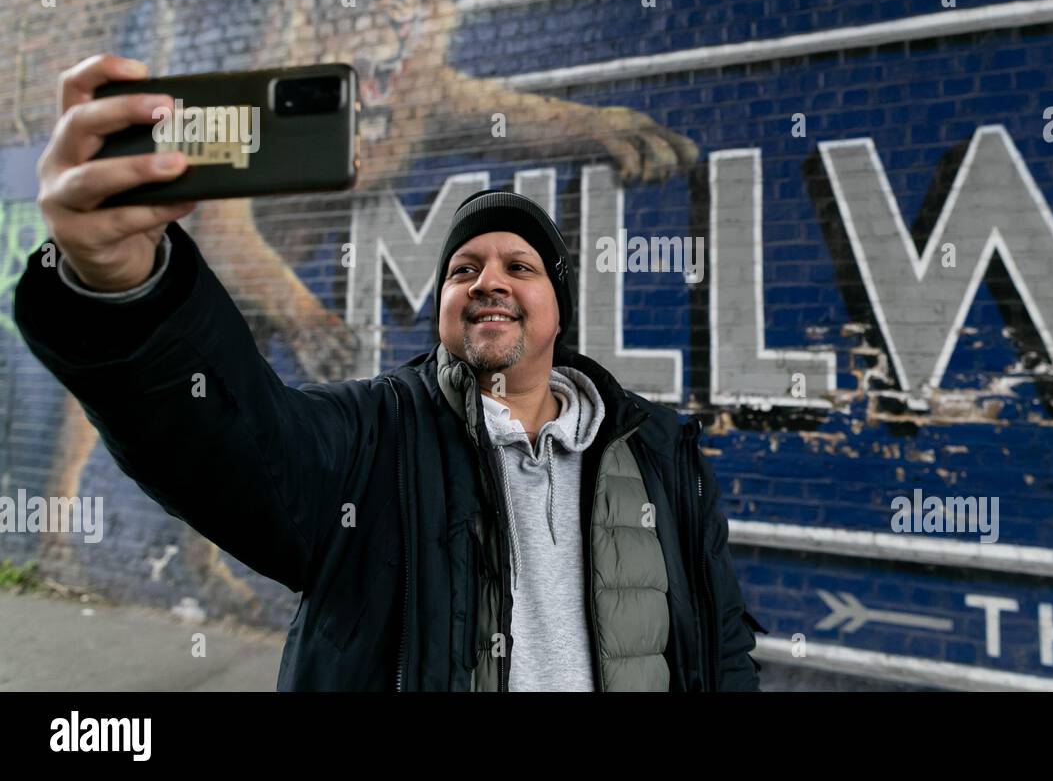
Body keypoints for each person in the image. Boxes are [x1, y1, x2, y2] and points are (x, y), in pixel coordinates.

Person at [14, 53, 766, 691]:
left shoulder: (665, 455)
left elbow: (721, 646)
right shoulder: (371, 436)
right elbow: (224, 447)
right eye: (463, 268)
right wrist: (121, 283)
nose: (488, 282)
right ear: (441, 307)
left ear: (558, 309)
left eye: (520, 267)